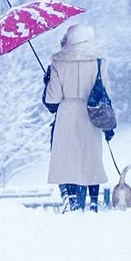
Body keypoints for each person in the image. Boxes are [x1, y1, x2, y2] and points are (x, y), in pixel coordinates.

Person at [43, 23, 113, 212]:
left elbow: (53, 98)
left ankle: (72, 200)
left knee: (69, 159)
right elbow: (106, 91)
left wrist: (48, 82)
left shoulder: (59, 61)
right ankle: (93, 202)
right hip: (91, 113)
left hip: (67, 114)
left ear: (69, 39)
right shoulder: (98, 60)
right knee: (91, 158)